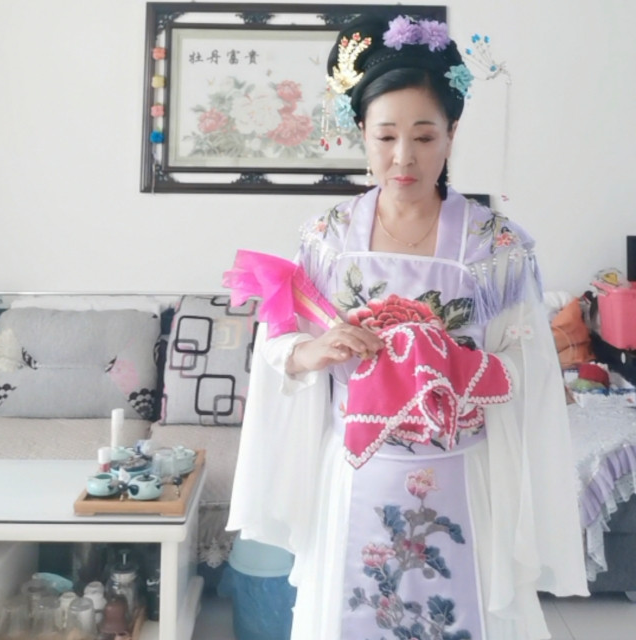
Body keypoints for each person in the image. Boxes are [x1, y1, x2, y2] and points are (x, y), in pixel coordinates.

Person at [227, 11, 588, 640]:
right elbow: (280, 342)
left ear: (452, 133)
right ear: (361, 133)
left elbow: (530, 365)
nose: (403, 158)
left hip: (463, 475)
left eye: (424, 136)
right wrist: (314, 351)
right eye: (386, 136)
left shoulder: (495, 244)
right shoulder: (329, 239)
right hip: (354, 475)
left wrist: (453, 365)